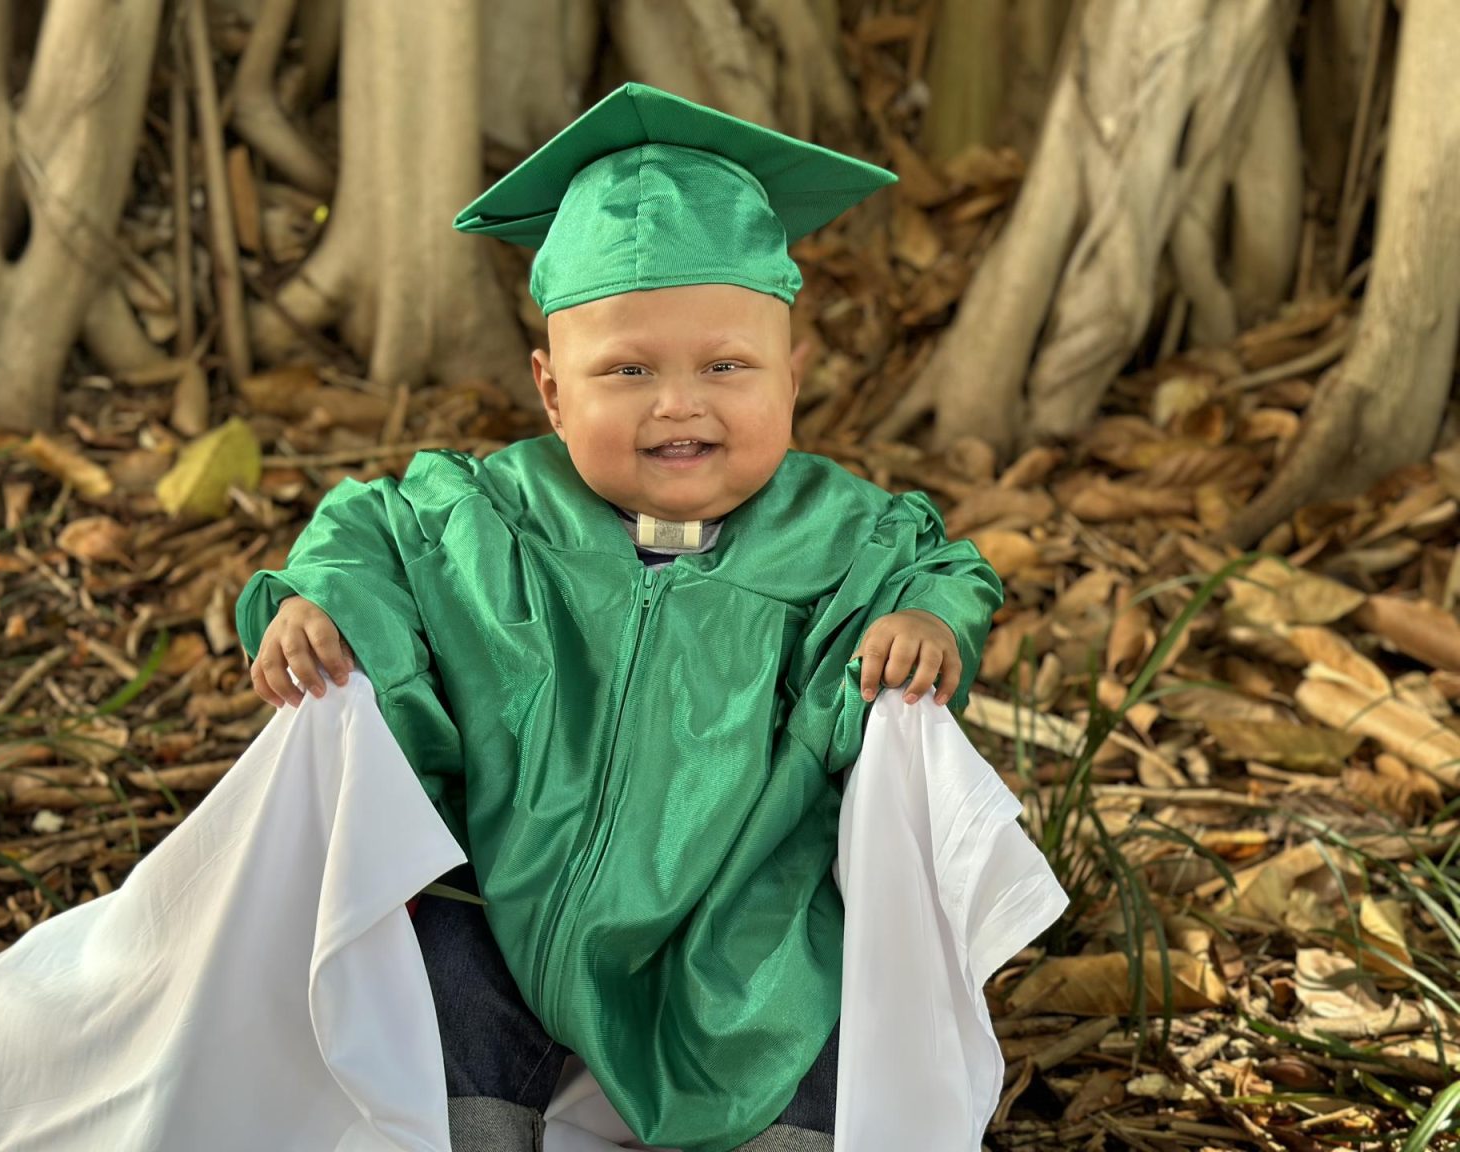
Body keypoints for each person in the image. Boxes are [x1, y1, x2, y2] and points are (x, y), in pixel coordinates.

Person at [236, 83, 1004, 1152]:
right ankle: (470, 1122)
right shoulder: (494, 513)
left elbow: (944, 567)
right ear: (553, 394)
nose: (678, 403)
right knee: (445, 959)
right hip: (514, 893)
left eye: (727, 366)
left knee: (818, 992)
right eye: (627, 370)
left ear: (796, 373)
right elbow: (374, 532)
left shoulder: (844, 533)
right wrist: (317, 599)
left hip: (740, 904)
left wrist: (928, 616)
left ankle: (795, 1133)